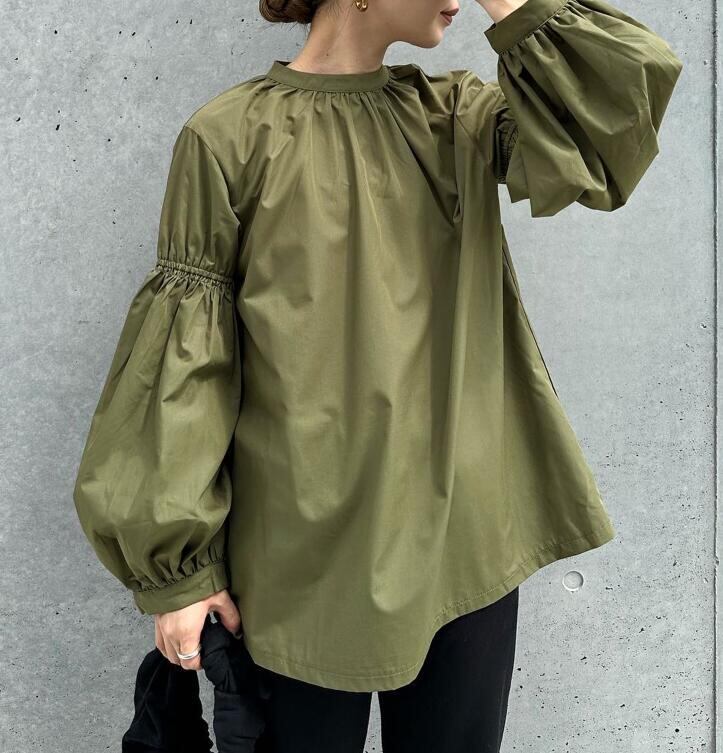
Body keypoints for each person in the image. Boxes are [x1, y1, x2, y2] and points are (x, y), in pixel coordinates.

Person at [72, 0, 683, 750]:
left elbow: (614, 123)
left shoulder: (455, 116)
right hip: (300, 557)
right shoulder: (229, 136)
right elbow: (187, 363)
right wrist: (180, 573)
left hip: (467, 539)